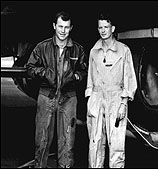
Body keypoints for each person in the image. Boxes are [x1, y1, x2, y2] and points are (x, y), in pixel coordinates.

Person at [25, 11, 88, 168]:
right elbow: (29, 68)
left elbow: (86, 70)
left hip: (68, 98)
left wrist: (77, 76)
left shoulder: (77, 50)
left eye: (66, 27)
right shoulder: (43, 47)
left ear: (71, 28)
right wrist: (45, 73)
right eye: (60, 26)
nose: (63, 31)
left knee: (67, 141)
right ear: (54, 26)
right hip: (47, 96)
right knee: (42, 140)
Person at [85, 13, 137, 168]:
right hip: (96, 97)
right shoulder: (94, 51)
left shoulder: (123, 50)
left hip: (116, 99)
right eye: (100, 27)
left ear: (112, 28)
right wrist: (90, 99)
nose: (103, 30)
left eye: (106, 27)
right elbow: (90, 77)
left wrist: (124, 103)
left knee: (116, 144)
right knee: (95, 143)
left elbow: (129, 78)